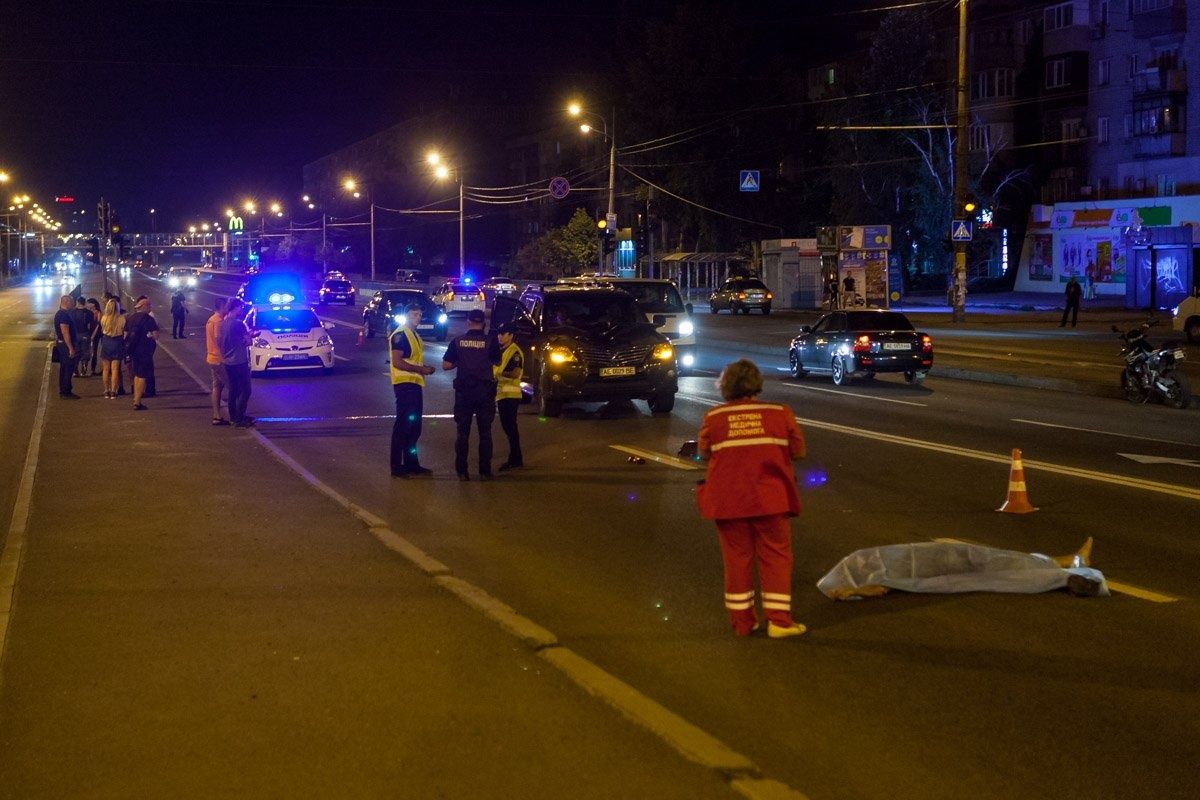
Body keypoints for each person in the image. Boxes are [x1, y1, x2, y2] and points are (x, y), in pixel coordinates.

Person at [697, 359, 807, 639]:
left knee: (736, 561)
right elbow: (797, 451)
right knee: (776, 558)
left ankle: (743, 624)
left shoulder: (714, 417)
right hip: (771, 499)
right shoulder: (780, 413)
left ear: (725, 386)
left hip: (728, 501)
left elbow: (705, 452)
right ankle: (779, 623)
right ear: (757, 384)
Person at [443, 308, 498, 480]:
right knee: (485, 433)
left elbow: (446, 365)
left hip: (464, 393)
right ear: (483, 323)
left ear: (468, 322)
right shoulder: (491, 342)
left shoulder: (457, 341)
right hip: (484, 392)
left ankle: (462, 471)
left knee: (462, 433)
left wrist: (460, 363)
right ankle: (484, 471)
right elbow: (497, 361)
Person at [390, 303, 437, 477]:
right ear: (406, 315)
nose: (417, 317)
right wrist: (422, 370)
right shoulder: (401, 334)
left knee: (414, 427)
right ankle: (396, 466)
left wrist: (424, 368)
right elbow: (397, 361)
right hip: (404, 386)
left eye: (419, 315)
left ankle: (412, 464)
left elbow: (413, 360)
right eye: (414, 314)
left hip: (415, 385)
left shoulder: (414, 335)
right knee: (403, 426)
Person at [493, 322, 524, 471]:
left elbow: (515, 373)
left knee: (510, 428)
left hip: (510, 395)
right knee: (508, 428)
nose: (500, 336)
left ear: (511, 335)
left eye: (503, 334)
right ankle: (515, 458)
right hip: (502, 395)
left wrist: (498, 374)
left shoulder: (514, 352)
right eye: (499, 333)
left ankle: (516, 459)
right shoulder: (502, 350)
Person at [220, 298, 254, 427]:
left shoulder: (223, 323)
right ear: (235, 308)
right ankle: (240, 419)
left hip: (228, 362)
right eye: (240, 307)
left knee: (233, 390)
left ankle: (234, 417)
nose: (242, 310)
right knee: (245, 390)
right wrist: (251, 335)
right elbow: (248, 342)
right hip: (239, 360)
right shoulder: (238, 324)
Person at [123, 296, 159, 410]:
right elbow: (156, 336)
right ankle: (137, 402)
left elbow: (125, 335)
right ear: (144, 306)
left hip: (133, 351)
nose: (150, 308)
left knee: (137, 374)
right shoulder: (149, 319)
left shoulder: (130, 318)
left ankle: (135, 398)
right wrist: (149, 335)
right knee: (142, 376)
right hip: (145, 351)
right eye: (149, 305)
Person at [206, 297, 230, 425]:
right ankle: (236, 415)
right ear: (222, 306)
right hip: (219, 359)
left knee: (217, 387)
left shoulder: (211, 319)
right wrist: (224, 351)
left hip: (211, 358)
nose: (228, 308)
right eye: (227, 306)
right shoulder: (219, 321)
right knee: (233, 386)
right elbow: (218, 337)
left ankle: (217, 416)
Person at [52, 295, 80, 399]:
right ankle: (65, 391)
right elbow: (65, 333)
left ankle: (65, 390)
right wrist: (71, 348)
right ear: (67, 302)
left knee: (64, 368)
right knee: (68, 368)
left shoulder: (61, 314)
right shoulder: (63, 316)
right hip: (65, 345)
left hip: (62, 345)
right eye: (72, 301)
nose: (73, 303)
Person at [98, 298, 126, 399]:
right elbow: (123, 331)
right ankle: (114, 391)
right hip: (117, 342)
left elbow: (102, 329)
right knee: (115, 369)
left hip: (106, 341)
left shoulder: (104, 318)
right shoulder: (121, 318)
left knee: (106, 369)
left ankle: (106, 390)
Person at [70, 296, 95, 378]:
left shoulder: (72, 312)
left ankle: (75, 370)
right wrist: (90, 334)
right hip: (85, 334)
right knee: (85, 352)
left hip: (75, 334)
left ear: (77, 302)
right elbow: (92, 325)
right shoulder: (89, 313)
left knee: (76, 352)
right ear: (84, 303)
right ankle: (83, 371)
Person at [86, 298, 102, 377]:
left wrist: (93, 335)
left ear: (93, 304)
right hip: (89, 333)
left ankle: (92, 369)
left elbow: (98, 325)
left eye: (88, 303)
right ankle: (86, 368)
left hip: (96, 334)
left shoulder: (98, 312)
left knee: (94, 351)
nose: (87, 304)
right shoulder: (88, 312)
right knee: (87, 351)